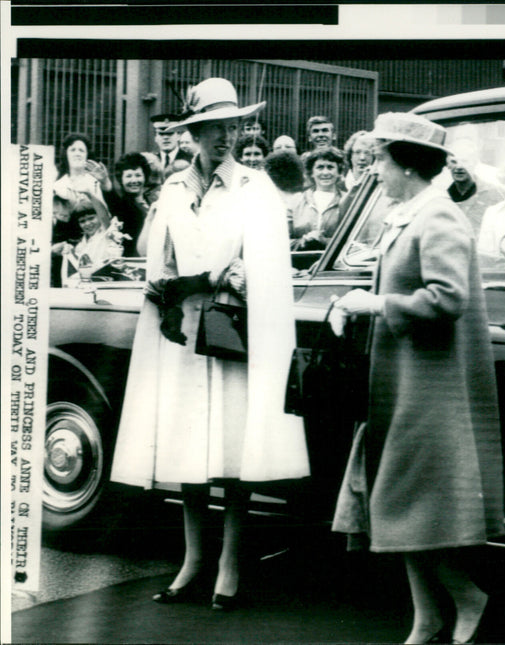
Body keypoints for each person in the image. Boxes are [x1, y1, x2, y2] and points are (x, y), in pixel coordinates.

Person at [110, 77, 309, 610]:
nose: (225, 136)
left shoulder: (255, 186)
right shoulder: (173, 189)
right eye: (213, 128)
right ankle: (194, 559)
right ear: (193, 133)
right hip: (182, 328)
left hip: (230, 329)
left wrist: (241, 275)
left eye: (232, 126)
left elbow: (269, 263)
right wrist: (166, 282)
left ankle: (230, 561)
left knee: (232, 446)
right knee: (188, 443)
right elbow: (159, 254)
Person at [330, 112, 503, 645]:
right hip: (403, 385)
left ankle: (467, 598)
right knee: (401, 502)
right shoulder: (409, 214)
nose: (373, 169)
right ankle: (427, 618)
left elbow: (447, 298)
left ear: (405, 164)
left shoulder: (438, 218)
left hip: (429, 390)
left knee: (404, 501)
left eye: (380, 159)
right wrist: (356, 303)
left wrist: (372, 303)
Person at [287, 146, 346, 251]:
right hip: (300, 263)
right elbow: (282, 240)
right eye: (320, 167)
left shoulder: (348, 201)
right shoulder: (296, 201)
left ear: (339, 172)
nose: (325, 172)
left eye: (330, 167)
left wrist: (324, 241)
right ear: (312, 173)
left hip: (334, 265)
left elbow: (352, 241)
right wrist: (303, 242)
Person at [445, 138, 505, 233]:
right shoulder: (443, 197)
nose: (459, 167)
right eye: (454, 162)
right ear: (448, 164)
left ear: (474, 163)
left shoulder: (495, 194)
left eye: (464, 161)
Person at [102, 152, 153, 256]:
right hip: (134, 262)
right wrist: (105, 182)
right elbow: (112, 200)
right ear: (121, 179)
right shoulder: (122, 205)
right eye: (128, 176)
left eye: (138, 175)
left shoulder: (152, 201)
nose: (134, 180)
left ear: (145, 177)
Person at [53, 133, 111, 213]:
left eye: (81, 150)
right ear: (66, 154)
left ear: (87, 155)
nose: (77, 154)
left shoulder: (95, 182)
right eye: (73, 150)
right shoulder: (57, 185)